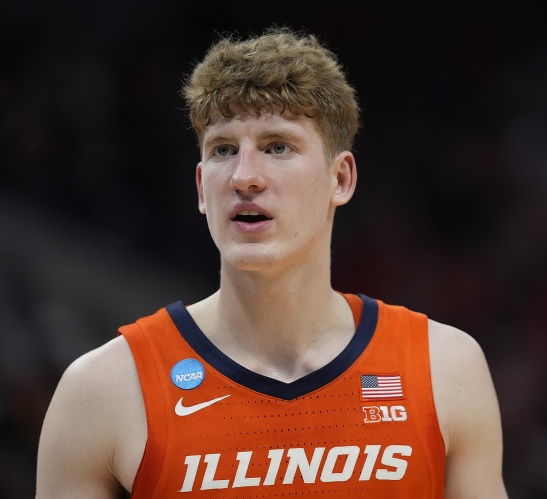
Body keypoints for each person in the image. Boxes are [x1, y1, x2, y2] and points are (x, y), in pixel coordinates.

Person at [36, 27, 508, 498]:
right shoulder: (104, 391)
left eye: (277, 146)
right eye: (223, 150)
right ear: (201, 188)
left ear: (340, 179)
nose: (244, 177)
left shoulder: (444, 369)